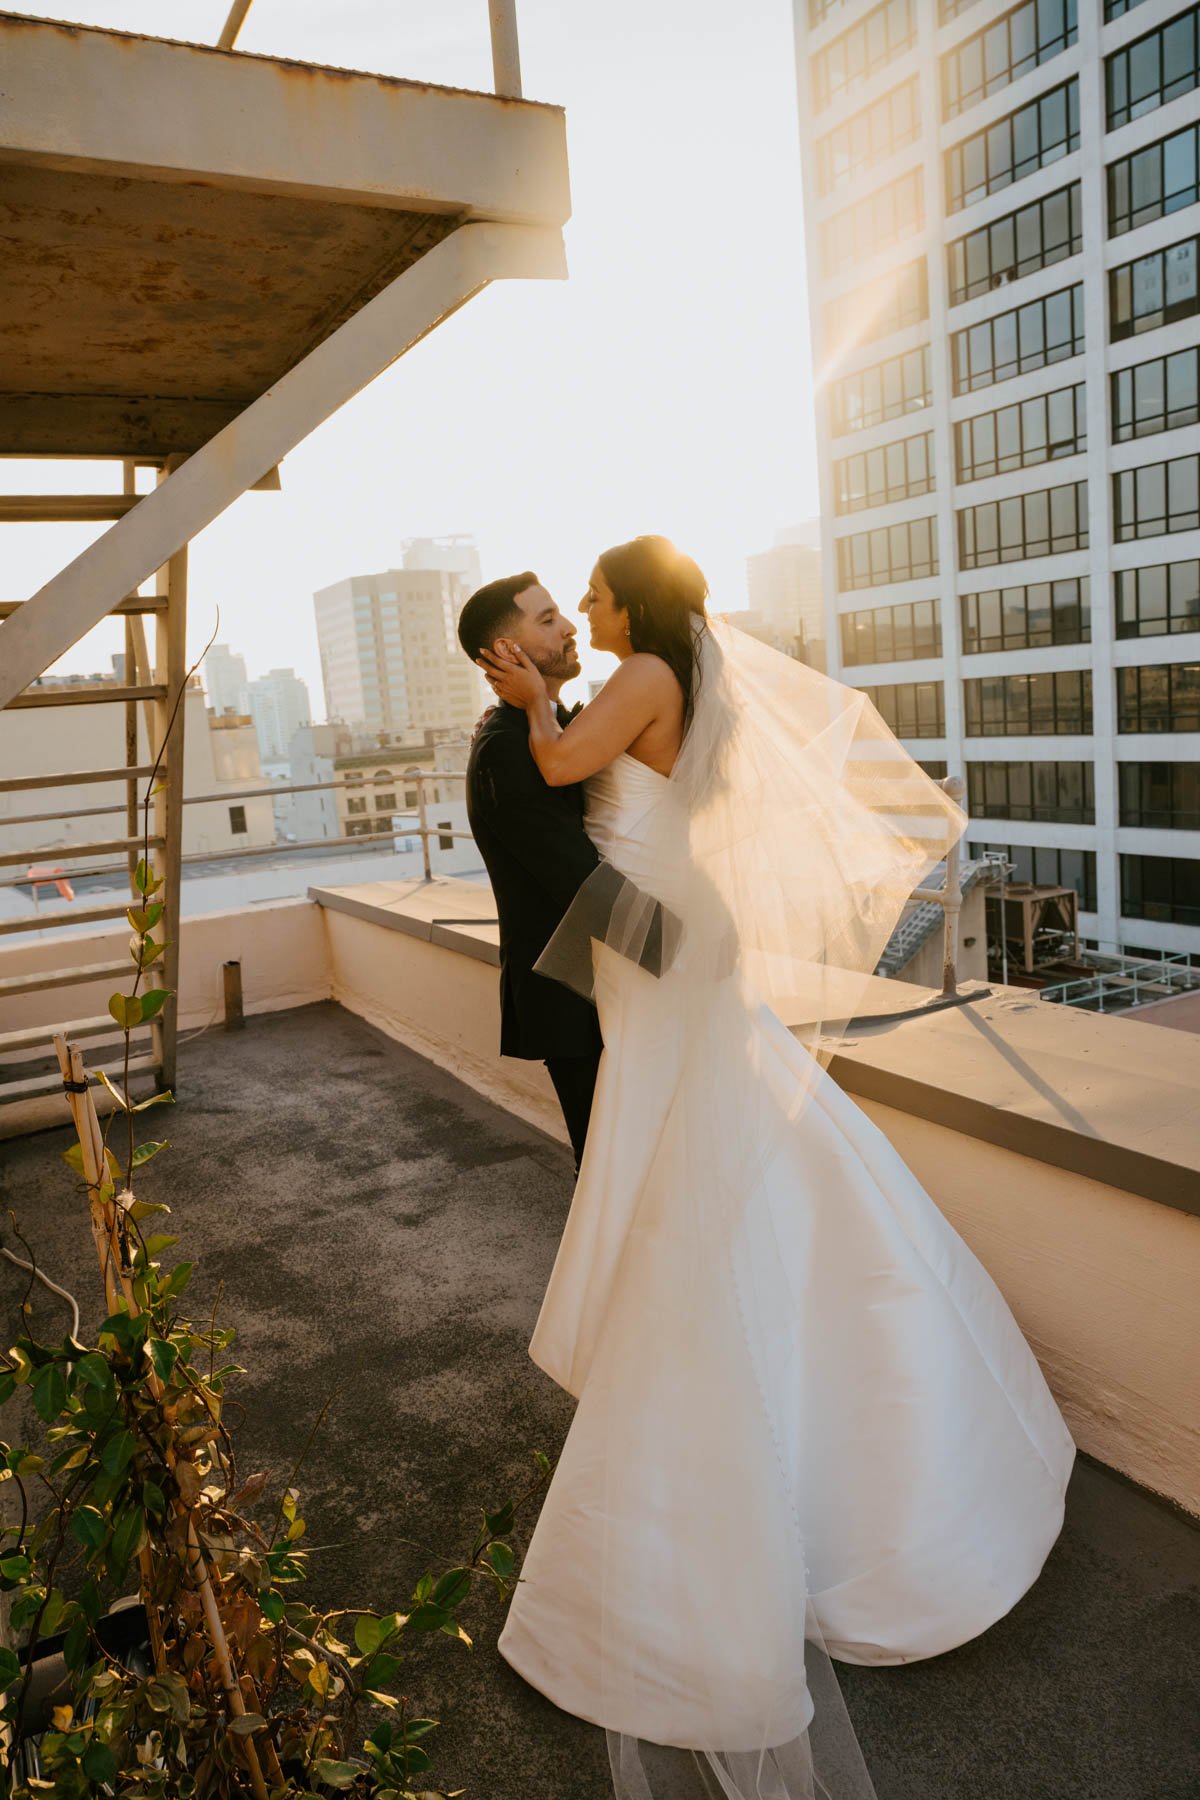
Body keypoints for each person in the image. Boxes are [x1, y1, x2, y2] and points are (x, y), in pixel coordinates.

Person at [476, 536, 1075, 1800]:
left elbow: (560, 767)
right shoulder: (672, 670)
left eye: (585, 591)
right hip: (671, 965)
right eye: (559, 605)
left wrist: (534, 702)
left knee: (702, 1192)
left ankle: (729, 1421)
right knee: (741, 1172)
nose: (578, 608)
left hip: (670, 967)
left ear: (630, 600)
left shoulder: (637, 674)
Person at [458, 572, 673, 1171]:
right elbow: (578, 880)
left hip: (613, 989)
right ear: (507, 650)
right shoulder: (504, 748)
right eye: (548, 619)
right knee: (616, 1175)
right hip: (577, 1005)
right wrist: (682, 956)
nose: (571, 626)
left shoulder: (545, 729)